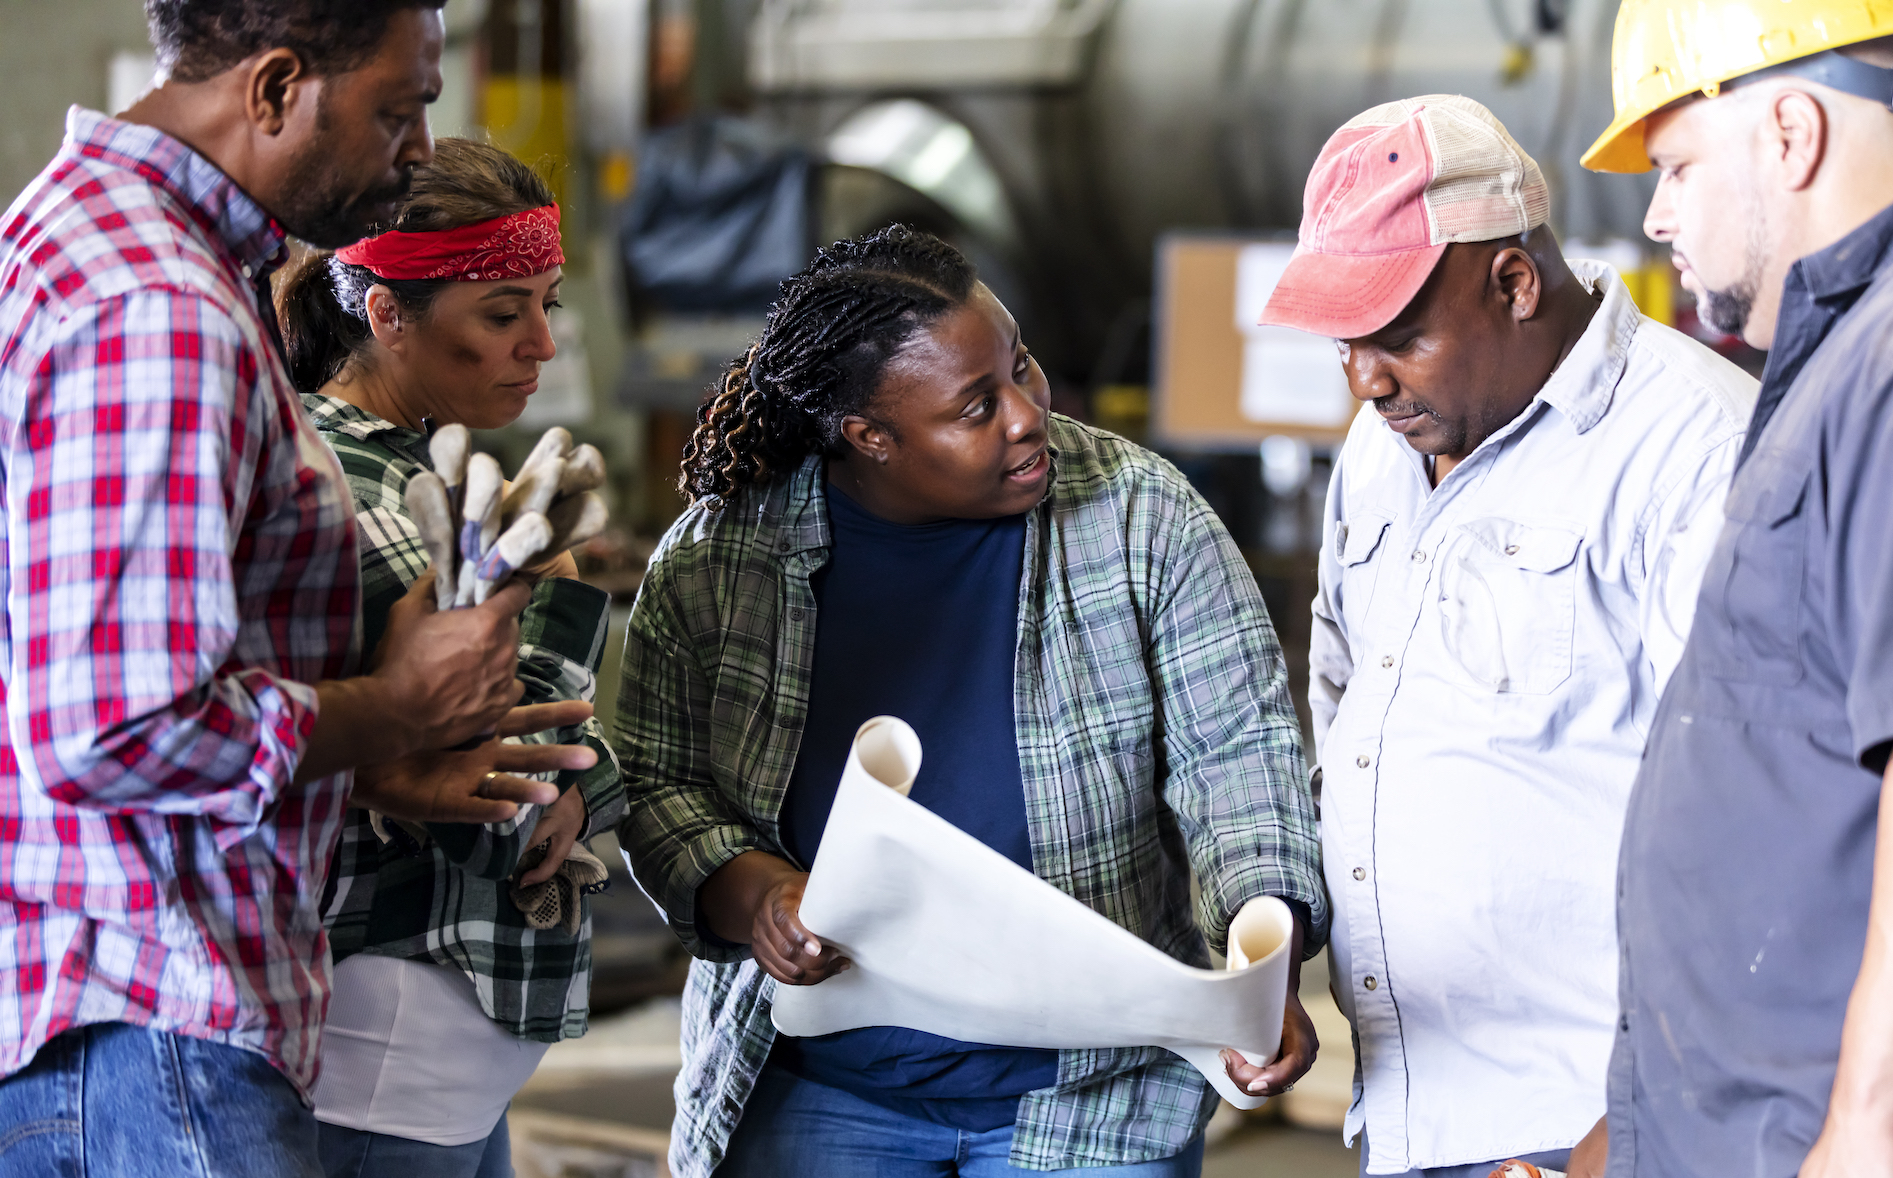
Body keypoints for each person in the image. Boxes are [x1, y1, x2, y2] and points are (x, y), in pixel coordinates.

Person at [0, 5, 595, 1175]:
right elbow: (117, 725)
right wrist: (398, 707)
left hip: (127, 1005)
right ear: (275, 87)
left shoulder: (76, 235)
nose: (419, 147)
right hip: (159, 1009)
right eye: (397, 108)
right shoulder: (157, 307)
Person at [613, 224, 1330, 1178]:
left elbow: (1237, 754)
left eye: (1022, 367)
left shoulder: (1140, 516)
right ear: (870, 437)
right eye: (974, 407)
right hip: (819, 1089)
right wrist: (757, 897)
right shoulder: (722, 558)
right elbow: (658, 781)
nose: (1028, 414)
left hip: (1091, 1097)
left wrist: (1256, 943)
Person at [1256, 95, 1757, 1178]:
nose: (1364, 378)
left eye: (1395, 338)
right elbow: (1345, 716)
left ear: (1514, 283)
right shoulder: (1382, 447)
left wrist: (1628, 1131)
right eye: (1347, 345)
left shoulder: (1690, 451)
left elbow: (1752, 831)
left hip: (1589, 1122)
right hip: (1407, 1111)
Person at [1576, 1, 1893, 1175]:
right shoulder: (1863, 347)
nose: (1653, 211)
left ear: (1791, 134)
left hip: (1870, 1136)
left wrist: (1867, 1115)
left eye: (1671, 166)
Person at [274, 137, 627, 1178]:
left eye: (546, 305)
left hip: (433, 1054)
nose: (541, 346)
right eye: (501, 311)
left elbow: (552, 774)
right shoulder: (368, 505)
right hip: (383, 1048)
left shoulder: (401, 474)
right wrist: (561, 599)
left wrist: (587, 776)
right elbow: (509, 818)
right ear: (387, 313)